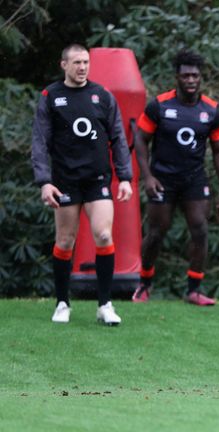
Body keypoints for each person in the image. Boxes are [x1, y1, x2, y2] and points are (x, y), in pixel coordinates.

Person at [31, 44, 133, 325]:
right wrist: (44, 182)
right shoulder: (50, 96)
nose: (82, 67)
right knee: (65, 240)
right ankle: (62, 303)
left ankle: (105, 305)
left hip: (97, 180)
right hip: (65, 181)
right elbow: (39, 141)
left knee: (103, 235)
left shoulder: (102, 96)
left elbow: (118, 138)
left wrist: (125, 177)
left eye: (86, 62)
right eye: (76, 62)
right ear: (63, 64)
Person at [131, 49, 219, 306]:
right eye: (185, 75)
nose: (191, 80)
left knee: (200, 229)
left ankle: (194, 289)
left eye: (195, 75)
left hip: (194, 180)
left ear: (200, 78)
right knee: (156, 233)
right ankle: (144, 284)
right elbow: (140, 140)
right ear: (177, 77)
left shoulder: (211, 111)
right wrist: (147, 177)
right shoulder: (159, 105)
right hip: (162, 179)